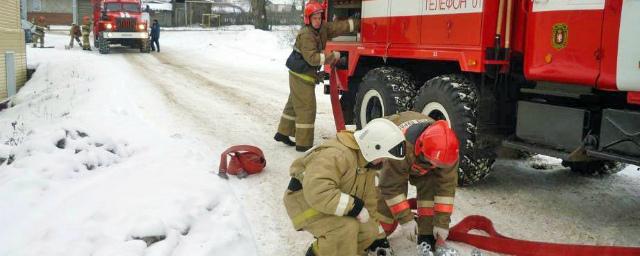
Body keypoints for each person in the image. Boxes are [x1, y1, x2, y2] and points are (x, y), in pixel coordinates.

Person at [283, 118, 406, 256]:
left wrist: (378, 236)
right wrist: (353, 207)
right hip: (305, 203)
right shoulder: (337, 154)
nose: (384, 161)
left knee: (369, 230)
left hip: (329, 202)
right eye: (383, 156)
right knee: (345, 228)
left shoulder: (366, 163)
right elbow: (317, 191)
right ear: (373, 147)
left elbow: (369, 201)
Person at [274, 0, 359, 152]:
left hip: (304, 73)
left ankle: (282, 133)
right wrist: (333, 56)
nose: (318, 21)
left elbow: (336, 27)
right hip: (300, 75)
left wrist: (356, 23)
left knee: (294, 104)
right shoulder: (306, 35)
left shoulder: (322, 28)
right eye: (315, 18)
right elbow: (313, 58)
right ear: (308, 19)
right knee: (307, 108)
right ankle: (303, 144)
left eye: (320, 17)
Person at [376, 111, 460, 255]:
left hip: (420, 157)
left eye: (440, 164)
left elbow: (446, 187)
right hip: (389, 148)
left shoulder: (449, 150)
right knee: (387, 200)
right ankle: (376, 236)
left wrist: (442, 223)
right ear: (421, 148)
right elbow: (390, 186)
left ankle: (426, 234)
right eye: (434, 162)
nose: (437, 166)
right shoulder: (398, 147)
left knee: (431, 182)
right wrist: (406, 220)